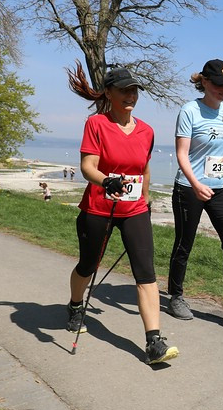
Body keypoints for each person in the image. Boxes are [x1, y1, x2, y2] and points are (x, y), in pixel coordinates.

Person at [64, 61, 176, 366]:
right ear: (109, 94)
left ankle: (154, 341)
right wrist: (106, 180)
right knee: (88, 265)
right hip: (99, 207)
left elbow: (145, 169)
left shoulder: (147, 131)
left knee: (146, 273)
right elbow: (88, 167)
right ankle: (75, 305)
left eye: (134, 90)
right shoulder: (97, 125)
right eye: (124, 90)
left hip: (135, 209)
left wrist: (147, 201)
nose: (130, 95)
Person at [165, 59, 223, 327]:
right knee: (184, 244)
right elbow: (181, 154)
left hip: (220, 189)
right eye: (218, 84)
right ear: (204, 82)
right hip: (189, 188)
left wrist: (217, 178)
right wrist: (196, 183)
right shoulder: (189, 111)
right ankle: (175, 297)